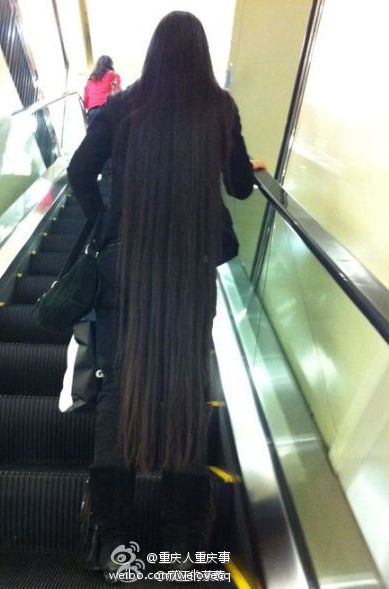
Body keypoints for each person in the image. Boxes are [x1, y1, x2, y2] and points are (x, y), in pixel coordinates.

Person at [68, 11, 266, 579]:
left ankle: (112, 543)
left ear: (153, 54)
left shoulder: (123, 107)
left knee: (117, 386)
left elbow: (80, 172)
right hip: (189, 269)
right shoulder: (219, 108)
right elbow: (240, 186)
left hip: (125, 266)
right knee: (184, 385)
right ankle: (182, 543)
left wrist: (106, 222)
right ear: (202, 55)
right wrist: (245, 165)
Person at [83, 55, 121, 125]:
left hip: (92, 113)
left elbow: (85, 103)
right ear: (110, 65)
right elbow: (118, 94)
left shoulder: (91, 79)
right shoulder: (113, 75)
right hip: (107, 110)